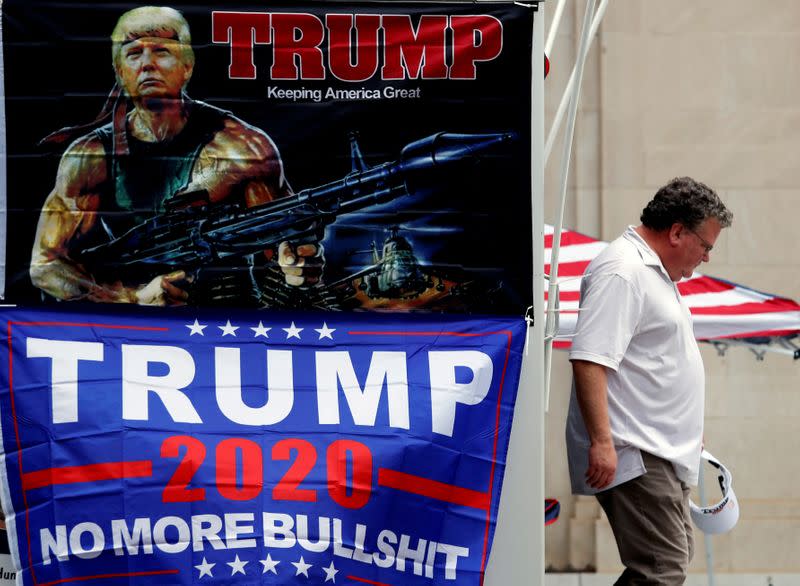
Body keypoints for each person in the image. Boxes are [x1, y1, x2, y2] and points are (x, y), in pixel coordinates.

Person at [29, 6, 321, 306]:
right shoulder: (91, 156)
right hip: (132, 329)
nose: (147, 64)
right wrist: (130, 299)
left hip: (228, 317)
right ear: (119, 72)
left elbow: (286, 243)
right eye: (133, 54)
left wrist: (298, 262)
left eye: (161, 51)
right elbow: (45, 266)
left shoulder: (241, 148)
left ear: (188, 65)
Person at [565, 177, 733, 585]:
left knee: (667, 561)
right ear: (677, 231)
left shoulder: (650, 273)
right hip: (635, 449)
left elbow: (653, 362)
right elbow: (589, 358)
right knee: (662, 566)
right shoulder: (624, 270)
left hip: (658, 447)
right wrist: (603, 442)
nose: (707, 257)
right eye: (706, 246)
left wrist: (687, 428)